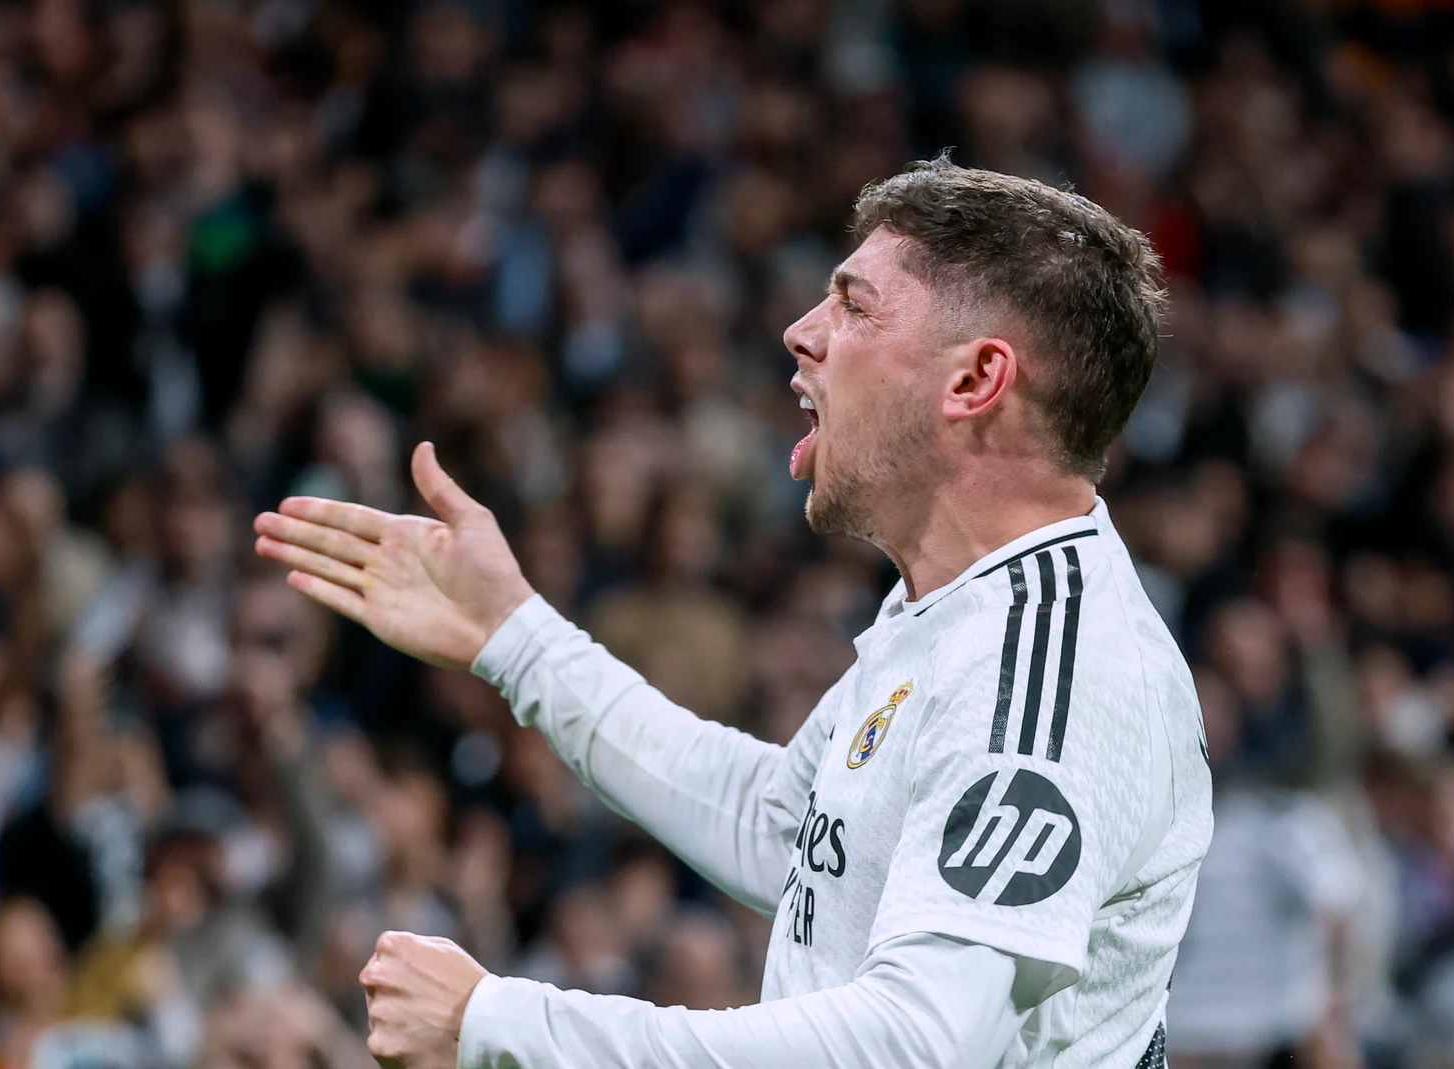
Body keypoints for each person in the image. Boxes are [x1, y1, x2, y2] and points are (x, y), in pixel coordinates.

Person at [252, 158, 1213, 1069]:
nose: (802, 331)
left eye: (853, 303)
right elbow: (788, 829)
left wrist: (507, 1025)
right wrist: (517, 637)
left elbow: (914, 1045)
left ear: (974, 381)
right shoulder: (959, 606)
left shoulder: (1051, 675)